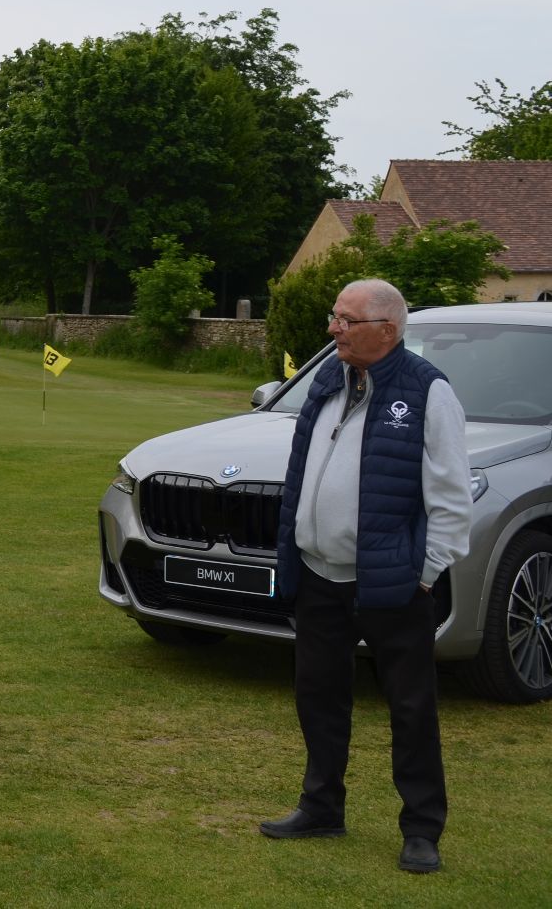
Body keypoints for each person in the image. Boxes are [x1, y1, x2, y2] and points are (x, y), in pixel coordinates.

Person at [260, 278, 473, 875]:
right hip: (318, 574)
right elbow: (302, 473)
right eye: (336, 316)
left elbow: (451, 495)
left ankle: (422, 829)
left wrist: (424, 573)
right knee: (319, 697)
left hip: (391, 583)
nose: (334, 329)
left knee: (410, 707)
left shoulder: (428, 392)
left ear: (388, 329)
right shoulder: (329, 377)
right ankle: (321, 807)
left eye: (346, 320)